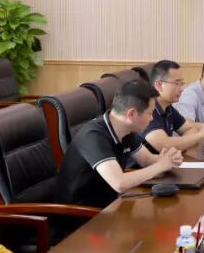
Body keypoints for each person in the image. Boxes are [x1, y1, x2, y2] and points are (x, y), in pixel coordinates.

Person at [56, 79, 183, 208]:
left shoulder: (127, 130)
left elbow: (146, 159)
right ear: (131, 114)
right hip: (82, 213)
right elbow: (119, 183)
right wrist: (160, 166)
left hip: (110, 204)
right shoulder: (93, 136)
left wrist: (167, 159)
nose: (152, 118)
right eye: (150, 113)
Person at [143, 60, 204, 152]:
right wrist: (201, 134)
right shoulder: (147, 109)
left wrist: (180, 145)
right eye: (177, 83)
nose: (182, 89)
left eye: (182, 83)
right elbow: (164, 144)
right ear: (159, 85)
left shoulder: (168, 108)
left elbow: (190, 128)